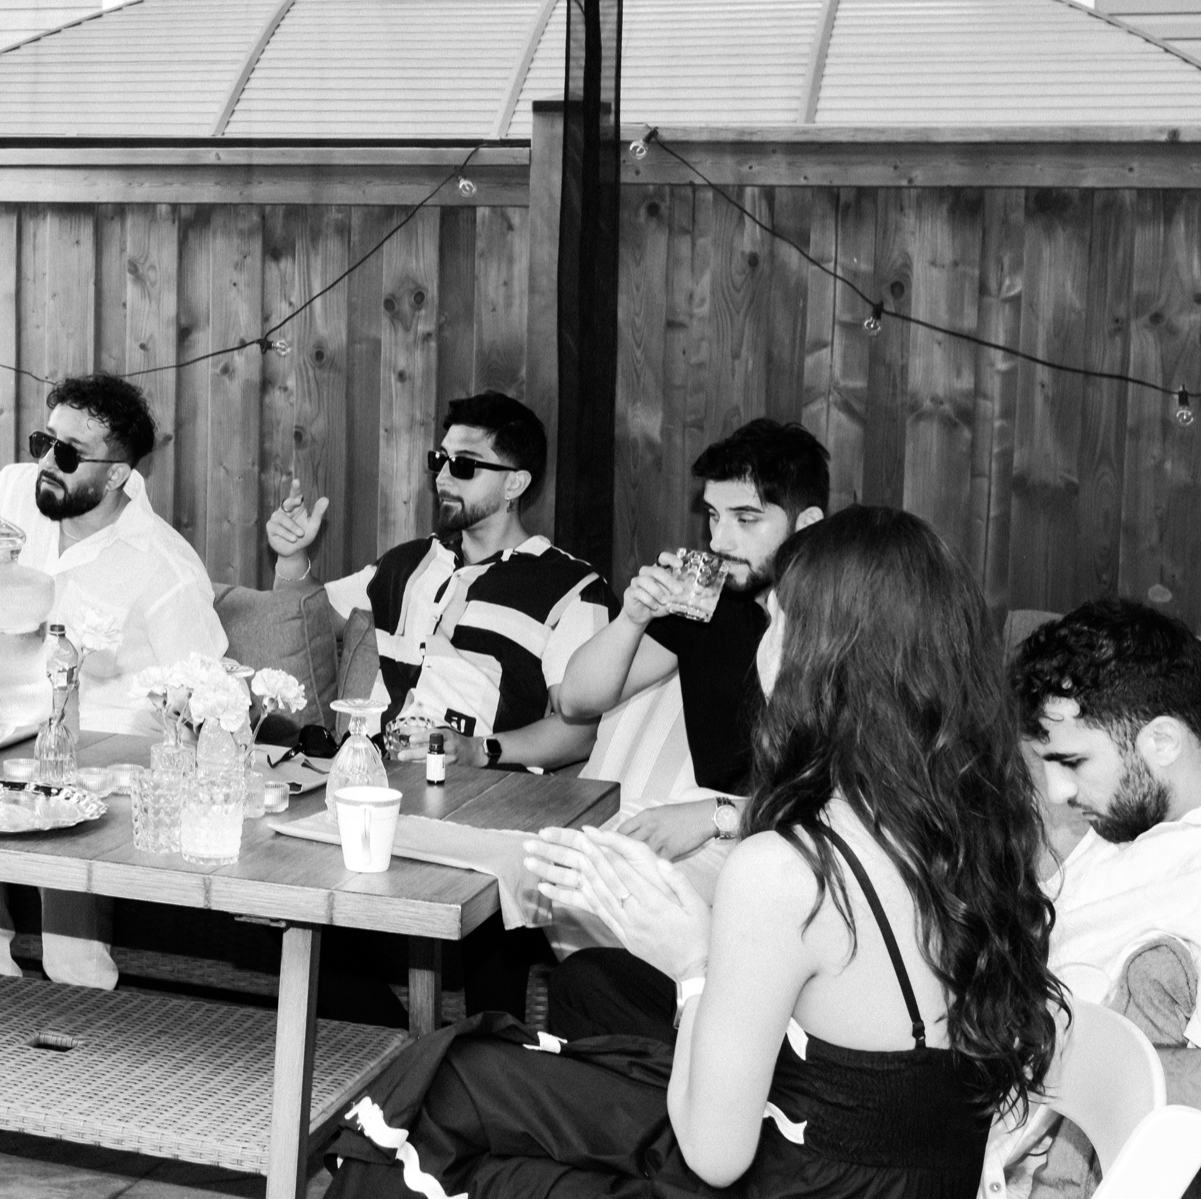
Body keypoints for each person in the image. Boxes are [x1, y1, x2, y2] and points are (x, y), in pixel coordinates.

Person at [331, 505, 1061, 1199]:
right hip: (896, 1169)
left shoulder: (785, 870)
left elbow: (715, 1156)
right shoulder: (980, 824)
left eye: (776, 620)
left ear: (820, 659)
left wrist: (692, 963)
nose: (762, 638)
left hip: (790, 1175)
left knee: (433, 1113)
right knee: (482, 1061)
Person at [0, 372, 226, 989]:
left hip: (100, 762)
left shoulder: (163, 566)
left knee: (65, 798)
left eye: (67, 453)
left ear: (116, 476)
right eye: (43, 441)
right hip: (1, 736)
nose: (45, 463)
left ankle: (81, 1007)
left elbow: (210, 697)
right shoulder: (17, 492)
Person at [547, 420, 828, 1034]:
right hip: (727, 835)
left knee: (622, 908)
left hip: (806, 847)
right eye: (713, 517)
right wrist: (633, 616)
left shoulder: (843, 619)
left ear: (807, 525)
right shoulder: (712, 603)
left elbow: (846, 802)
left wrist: (712, 815)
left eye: (746, 519)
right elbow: (578, 700)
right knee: (571, 883)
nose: (720, 540)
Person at [1010, 601, 1201, 1187]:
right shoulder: (1134, 817)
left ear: (1163, 741)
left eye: (1072, 761)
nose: (1056, 790)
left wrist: (1049, 1050)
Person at [268, 390, 609, 774]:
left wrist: (477, 750)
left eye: (463, 465)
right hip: (373, 777)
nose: (443, 477)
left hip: (481, 789)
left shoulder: (573, 588)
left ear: (514, 484)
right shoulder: (408, 563)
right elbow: (305, 618)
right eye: (439, 460)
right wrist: (291, 556)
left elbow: (582, 732)